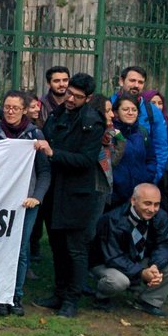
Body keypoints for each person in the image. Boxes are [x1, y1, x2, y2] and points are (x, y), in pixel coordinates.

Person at [36, 73, 108, 318]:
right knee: (57, 245)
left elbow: (87, 160)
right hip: (55, 188)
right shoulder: (58, 113)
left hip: (77, 192)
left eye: (77, 97)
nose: (70, 99)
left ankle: (71, 299)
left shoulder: (92, 121)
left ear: (87, 98)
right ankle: (59, 292)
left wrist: (53, 153)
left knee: (75, 248)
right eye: (69, 93)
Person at [89, 183, 168, 317]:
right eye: (147, 203)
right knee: (119, 281)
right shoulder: (112, 219)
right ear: (133, 200)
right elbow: (113, 256)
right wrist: (141, 272)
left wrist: (155, 266)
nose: (152, 209)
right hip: (106, 262)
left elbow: (164, 244)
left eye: (156, 204)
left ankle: (149, 301)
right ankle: (101, 297)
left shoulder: (161, 216)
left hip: (137, 260)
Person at [0, 91, 50, 317]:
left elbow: (45, 172)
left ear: (24, 110)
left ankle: (16, 295)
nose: (10, 112)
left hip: (25, 203)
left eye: (15, 108)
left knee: (20, 250)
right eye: (7, 107)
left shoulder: (35, 135)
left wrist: (37, 197)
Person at [111, 66, 168, 185]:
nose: (136, 85)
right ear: (121, 81)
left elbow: (160, 148)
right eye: (132, 80)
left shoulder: (153, 111)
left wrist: (152, 179)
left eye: (140, 82)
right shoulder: (107, 106)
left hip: (141, 183)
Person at [109, 94, 156, 208]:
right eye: (125, 109)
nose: (130, 112)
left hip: (139, 197)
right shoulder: (110, 133)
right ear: (115, 113)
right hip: (114, 196)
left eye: (134, 109)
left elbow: (151, 159)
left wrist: (147, 178)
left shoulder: (142, 133)